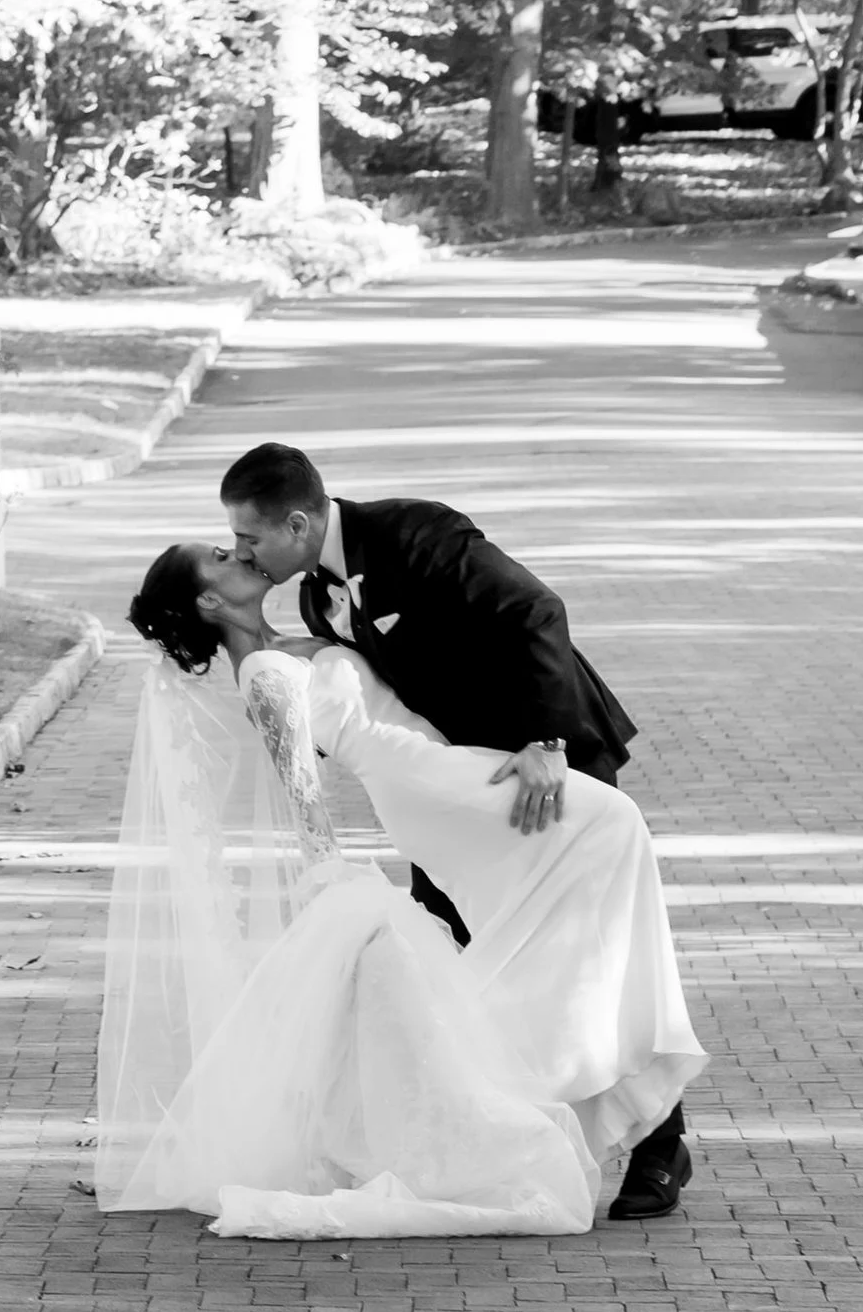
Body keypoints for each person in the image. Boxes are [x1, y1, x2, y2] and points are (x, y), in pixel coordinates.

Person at [95, 535, 703, 1240]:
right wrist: (326, 870)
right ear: (208, 599)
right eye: (221, 559)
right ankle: (595, 1089)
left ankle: (577, 1080)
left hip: (441, 761)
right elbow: (300, 785)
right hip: (420, 780)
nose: (240, 556)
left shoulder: (303, 627)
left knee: (581, 878)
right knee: (609, 821)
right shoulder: (262, 669)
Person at [218, 439, 692, 1217]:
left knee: (594, 954)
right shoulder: (315, 599)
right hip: (462, 793)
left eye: (250, 538)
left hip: (548, 765)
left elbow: (534, 610)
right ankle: (492, 1136)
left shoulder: (417, 535)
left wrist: (546, 744)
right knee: (452, 946)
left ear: (298, 524)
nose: (242, 551)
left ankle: (659, 1142)